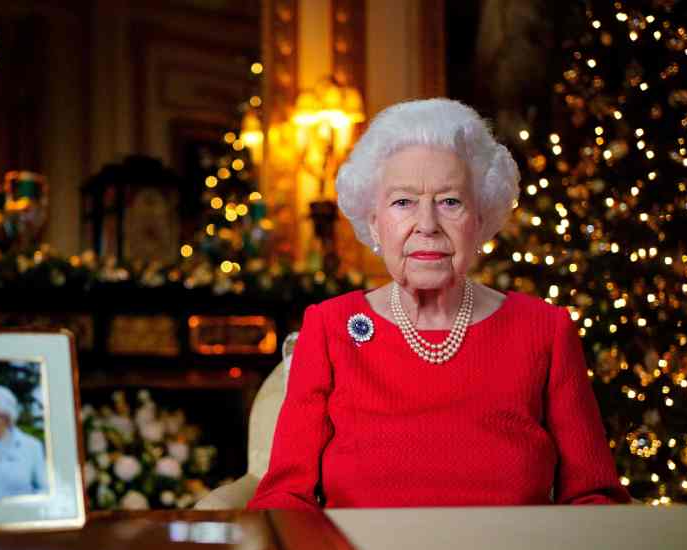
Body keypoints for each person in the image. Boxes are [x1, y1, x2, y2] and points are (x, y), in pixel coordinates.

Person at [247, 99, 631, 510]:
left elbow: (594, 496)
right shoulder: (329, 327)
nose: (427, 225)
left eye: (450, 202)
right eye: (403, 203)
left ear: (480, 219)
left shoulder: (544, 330)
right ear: (374, 221)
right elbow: (285, 498)